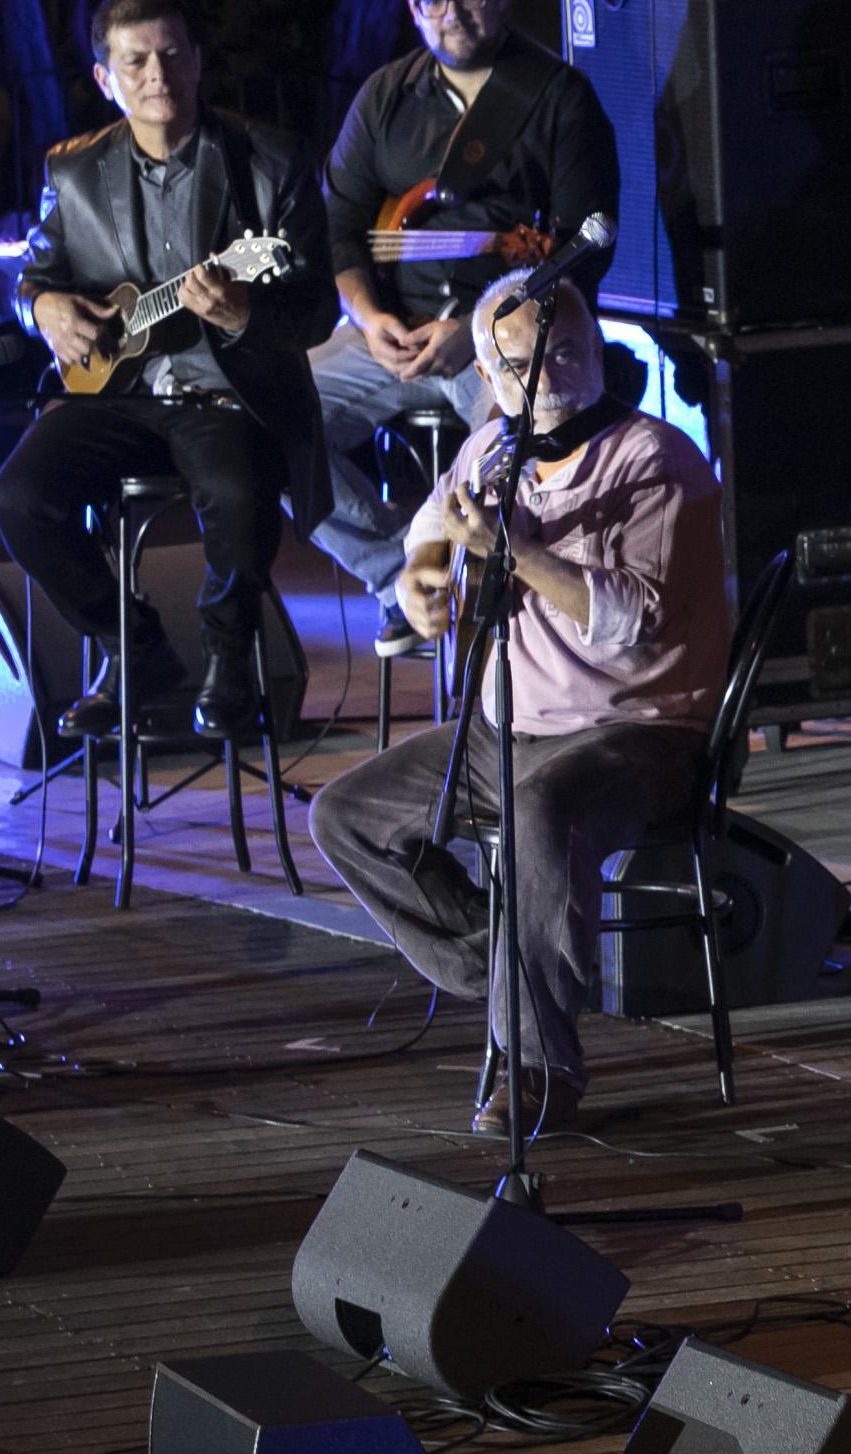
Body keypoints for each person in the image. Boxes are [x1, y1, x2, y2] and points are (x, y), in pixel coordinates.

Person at [311, 275, 728, 1138]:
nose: (543, 376)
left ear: (594, 351)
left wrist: (517, 552)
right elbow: (429, 532)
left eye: (562, 352)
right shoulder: (492, 449)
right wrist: (422, 581)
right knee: (345, 816)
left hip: (638, 733)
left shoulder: (656, 459)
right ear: (493, 378)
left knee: (545, 805)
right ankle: (505, 965)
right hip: (509, 729)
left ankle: (540, 1068)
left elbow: (630, 620)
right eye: (519, 365)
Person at [0, 0, 335, 739]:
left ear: (199, 60)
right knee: (19, 496)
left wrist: (245, 312)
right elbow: (35, 279)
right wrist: (41, 309)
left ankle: (229, 657)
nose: (158, 74)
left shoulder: (269, 162)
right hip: (114, 392)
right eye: (136, 59)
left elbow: (317, 308)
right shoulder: (74, 171)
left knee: (237, 491)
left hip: (226, 391)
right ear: (104, 77)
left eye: (173, 53)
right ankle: (134, 649)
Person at [314, 0, 621, 657]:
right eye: (434, 3)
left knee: (527, 444)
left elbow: (588, 246)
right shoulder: (385, 97)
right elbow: (339, 230)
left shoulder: (557, 96)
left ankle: (507, 615)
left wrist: (481, 331)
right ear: (411, 6)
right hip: (388, 335)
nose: (452, 16)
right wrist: (370, 315)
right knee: (264, 420)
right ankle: (407, 578)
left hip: (506, 343)